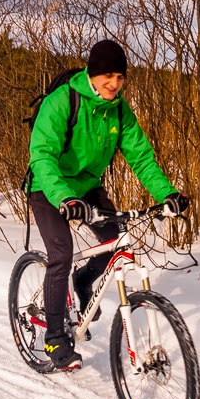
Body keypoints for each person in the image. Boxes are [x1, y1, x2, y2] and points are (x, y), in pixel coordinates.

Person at [27, 39, 189, 371]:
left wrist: (166, 194)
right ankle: (56, 337)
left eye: (120, 77)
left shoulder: (118, 110)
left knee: (114, 241)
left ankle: (84, 282)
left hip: (85, 186)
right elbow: (41, 156)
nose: (114, 83)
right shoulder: (62, 102)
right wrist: (64, 197)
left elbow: (142, 159)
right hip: (48, 187)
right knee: (61, 254)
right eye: (108, 76)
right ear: (92, 71)